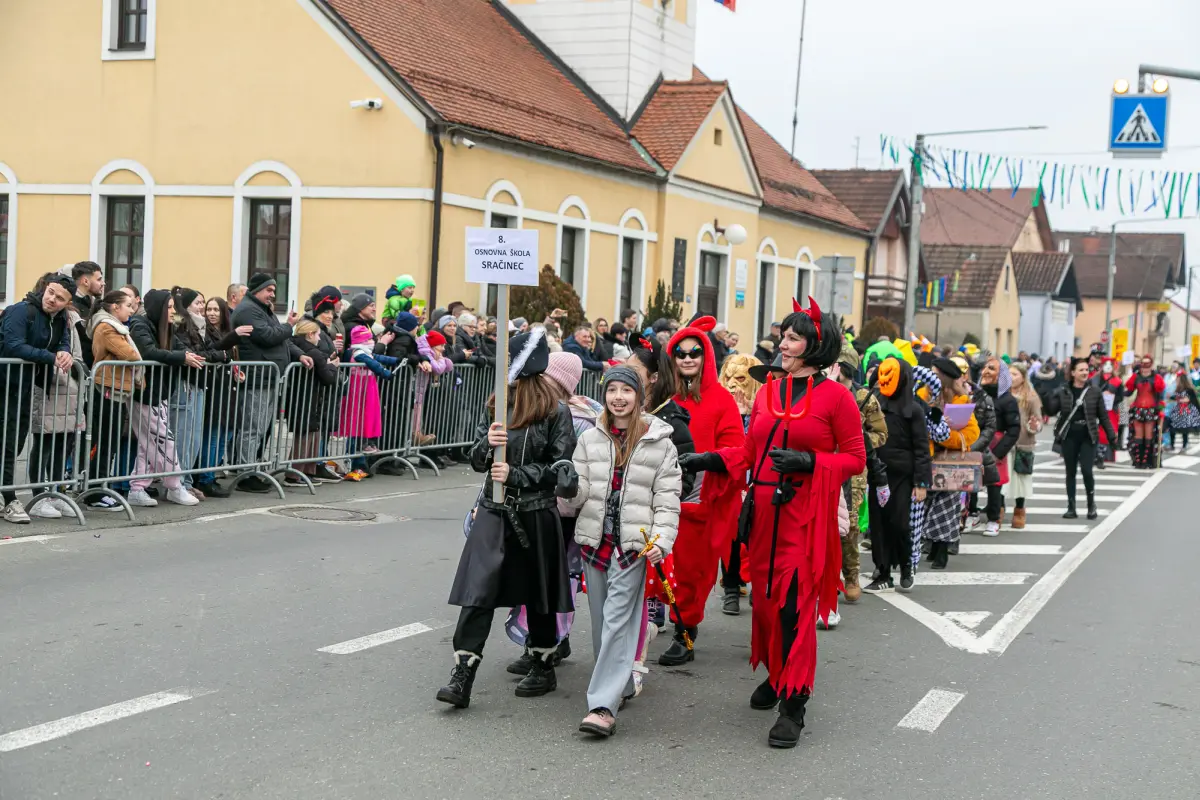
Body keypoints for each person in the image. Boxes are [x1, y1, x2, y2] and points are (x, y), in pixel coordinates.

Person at [683, 298, 865, 748]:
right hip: (763, 512)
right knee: (764, 604)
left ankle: (794, 704)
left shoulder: (837, 397)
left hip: (805, 515)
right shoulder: (767, 392)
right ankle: (777, 673)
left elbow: (855, 459)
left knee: (793, 606)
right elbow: (748, 453)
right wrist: (708, 458)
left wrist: (810, 461)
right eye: (783, 335)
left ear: (815, 345)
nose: (782, 343)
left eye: (792, 337)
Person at [437, 328, 577, 709]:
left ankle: (543, 663)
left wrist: (517, 475)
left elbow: (561, 471)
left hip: (535, 513)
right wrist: (489, 444)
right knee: (477, 593)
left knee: (539, 593)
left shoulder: (556, 412)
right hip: (494, 512)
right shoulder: (496, 406)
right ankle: (462, 674)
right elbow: (477, 459)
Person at [565, 365, 682, 737]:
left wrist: (661, 540)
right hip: (595, 543)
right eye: (612, 389)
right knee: (603, 622)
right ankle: (624, 682)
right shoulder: (590, 439)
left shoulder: (660, 441)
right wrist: (567, 487)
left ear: (639, 396)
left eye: (626, 390)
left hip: (634, 545)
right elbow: (579, 494)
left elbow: (667, 499)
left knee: (616, 620)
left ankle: (602, 705)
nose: (619, 397)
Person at [503, 352, 600, 677]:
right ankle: (543, 642)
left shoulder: (577, 418)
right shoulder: (537, 411)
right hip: (533, 507)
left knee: (554, 582)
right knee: (536, 580)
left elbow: (572, 469)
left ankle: (549, 644)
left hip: (560, 511)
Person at [656, 316, 745, 665]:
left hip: (701, 497)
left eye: (695, 352)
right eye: (680, 353)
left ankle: (685, 632)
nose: (688, 358)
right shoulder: (664, 399)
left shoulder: (722, 401)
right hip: (660, 495)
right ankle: (656, 622)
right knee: (661, 566)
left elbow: (739, 450)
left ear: (706, 356)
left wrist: (707, 459)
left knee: (692, 571)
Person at [624, 337, 696, 679]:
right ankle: (628, 659)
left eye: (633, 369)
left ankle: (634, 667)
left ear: (652, 377)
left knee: (646, 601)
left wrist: (656, 506)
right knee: (624, 600)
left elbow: (685, 478)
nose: (624, 374)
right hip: (622, 524)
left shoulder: (673, 422)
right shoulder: (623, 414)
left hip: (650, 526)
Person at [0, 274, 76, 524]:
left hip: (23, 387)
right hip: (4, 383)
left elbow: (62, 340)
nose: (52, 299)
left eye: (60, 298)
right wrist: (50, 356)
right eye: (51, 292)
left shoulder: (61, 318)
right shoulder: (20, 311)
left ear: (67, 303)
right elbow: (13, 346)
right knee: (8, 445)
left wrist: (64, 351)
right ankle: (10, 499)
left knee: (15, 442)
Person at [122, 289, 203, 508]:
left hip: (161, 393)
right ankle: (175, 485)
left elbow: (180, 348)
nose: (172, 311)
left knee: (149, 443)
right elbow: (147, 352)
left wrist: (189, 356)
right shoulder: (140, 324)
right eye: (168, 307)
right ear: (158, 308)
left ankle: (138, 488)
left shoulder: (166, 328)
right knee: (163, 440)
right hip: (146, 394)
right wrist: (182, 357)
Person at [230, 274, 310, 492]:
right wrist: (289, 325)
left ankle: (253, 467)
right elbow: (267, 336)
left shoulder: (263, 309)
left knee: (262, 427)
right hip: (257, 378)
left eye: (274, 290)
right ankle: (246, 474)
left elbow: (281, 339)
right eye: (269, 290)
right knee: (252, 428)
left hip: (269, 378)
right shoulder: (248, 310)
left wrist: (299, 354)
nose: (273, 294)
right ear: (258, 290)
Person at [829, 343, 890, 614]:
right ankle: (827, 578)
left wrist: (860, 440)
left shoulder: (864, 398)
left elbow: (881, 434)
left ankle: (851, 573)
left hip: (853, 470)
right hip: (824, 464)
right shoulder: (820, 391)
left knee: (849, 526)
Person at [863, 354, 928, 594]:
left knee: (900, 523)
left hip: (902, 476)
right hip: (877, 471)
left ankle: (906, 565)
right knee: (878, 525)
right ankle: (882, 572)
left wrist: (921, 482)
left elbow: (922, 448)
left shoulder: (914, 409)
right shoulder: (874, 401)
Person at [169, 287, 239, 499]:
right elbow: (200, 354)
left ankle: (187, 481)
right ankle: (178, 483)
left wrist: (221, 355)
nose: (204, 309)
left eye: (204, 303)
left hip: (199, 385)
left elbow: (210, 350)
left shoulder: (200, 327)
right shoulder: (182, 327)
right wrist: (219, 355)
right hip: (186, 386)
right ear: (188, 305)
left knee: (194, 438)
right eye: (199, 303)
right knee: (184, 437)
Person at [923, 358, 979, 569]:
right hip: (925, 459)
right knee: (927, 504)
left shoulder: (961, 400)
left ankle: (942, 551)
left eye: (936, 373)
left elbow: (973, 433)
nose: (931, 377)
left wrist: (945, 435)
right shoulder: (922, 395)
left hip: (950, 461)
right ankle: (932, 545)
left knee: (947, 506)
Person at [339, 294, 400, 479]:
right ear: (360, 308)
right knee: (355, 421)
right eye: (371, 305)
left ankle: (360, 460)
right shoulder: (353, 327)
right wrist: (385, 366)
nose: (374, 308)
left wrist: (393, 361)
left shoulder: (365, 325)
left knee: (364, 420)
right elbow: (368, 355)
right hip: (356, 381)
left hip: (366, 381)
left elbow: (372, 354)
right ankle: (355, 461)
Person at [1049, 358, 1118, 518]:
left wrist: (1112, 436)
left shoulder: (1095, 391)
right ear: (1073, 373)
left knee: (1087, 471)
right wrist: (1047, 395)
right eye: (1081, 370)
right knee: (1070, 472)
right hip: (1069, 435)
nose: (1085, 373)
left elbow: (1103, 416)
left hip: (1088, 435)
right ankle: (1071, 507)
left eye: (1086, 370)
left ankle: (1091, 504)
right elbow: (1052, 410)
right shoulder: (1064, 390)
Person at [978, 355, 1021, 536]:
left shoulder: (1007, 400)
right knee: (971, 481)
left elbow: (1014, 429)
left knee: (994, 484)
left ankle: (994, 518)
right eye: (985, 367)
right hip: (977, 441)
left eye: (992, 369)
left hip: (996, 444)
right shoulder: (977, 395)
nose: (986, 371)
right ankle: (971, 513)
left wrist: (999, 451)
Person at [1006, 363, 1043, 529]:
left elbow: (1038, 419)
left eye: (1015, 374)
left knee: (1020, 478)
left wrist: (1034, 426)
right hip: (1004, 442)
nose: (1011, 377)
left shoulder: (1031, 397)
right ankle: (997, 510)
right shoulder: (1002, 393)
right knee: (1001, 478)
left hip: (1023, 442)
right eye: (1009, 374)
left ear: (1023, 377)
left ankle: (1019, 510)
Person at [1125, 355, 1165, 469]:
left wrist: (1161, 410)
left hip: (1151, 410)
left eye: (1148, 364)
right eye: (1143, 364)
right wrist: (1118, 393)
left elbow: (1160, 396)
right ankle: (1138, 460)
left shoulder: (1156, 378)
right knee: (1138, 436)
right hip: (1138, 409)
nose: (1145, 367)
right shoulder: (1136, 377)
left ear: (1151, 365)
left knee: (1149, 436)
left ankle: (1147, 461)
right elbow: (1129, 392)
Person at [1169, 373, 1200, 450]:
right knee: (1172, 427)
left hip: (1186, 411)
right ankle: (1172, 444)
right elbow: (1174, 397)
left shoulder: (1189, 390)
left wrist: (1183, 399)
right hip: (1177, 410)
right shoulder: (1177, 389)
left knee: (1184, 428)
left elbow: (1192, 400)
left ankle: (1184, 444)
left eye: (1178, 379)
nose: (1176, 380)